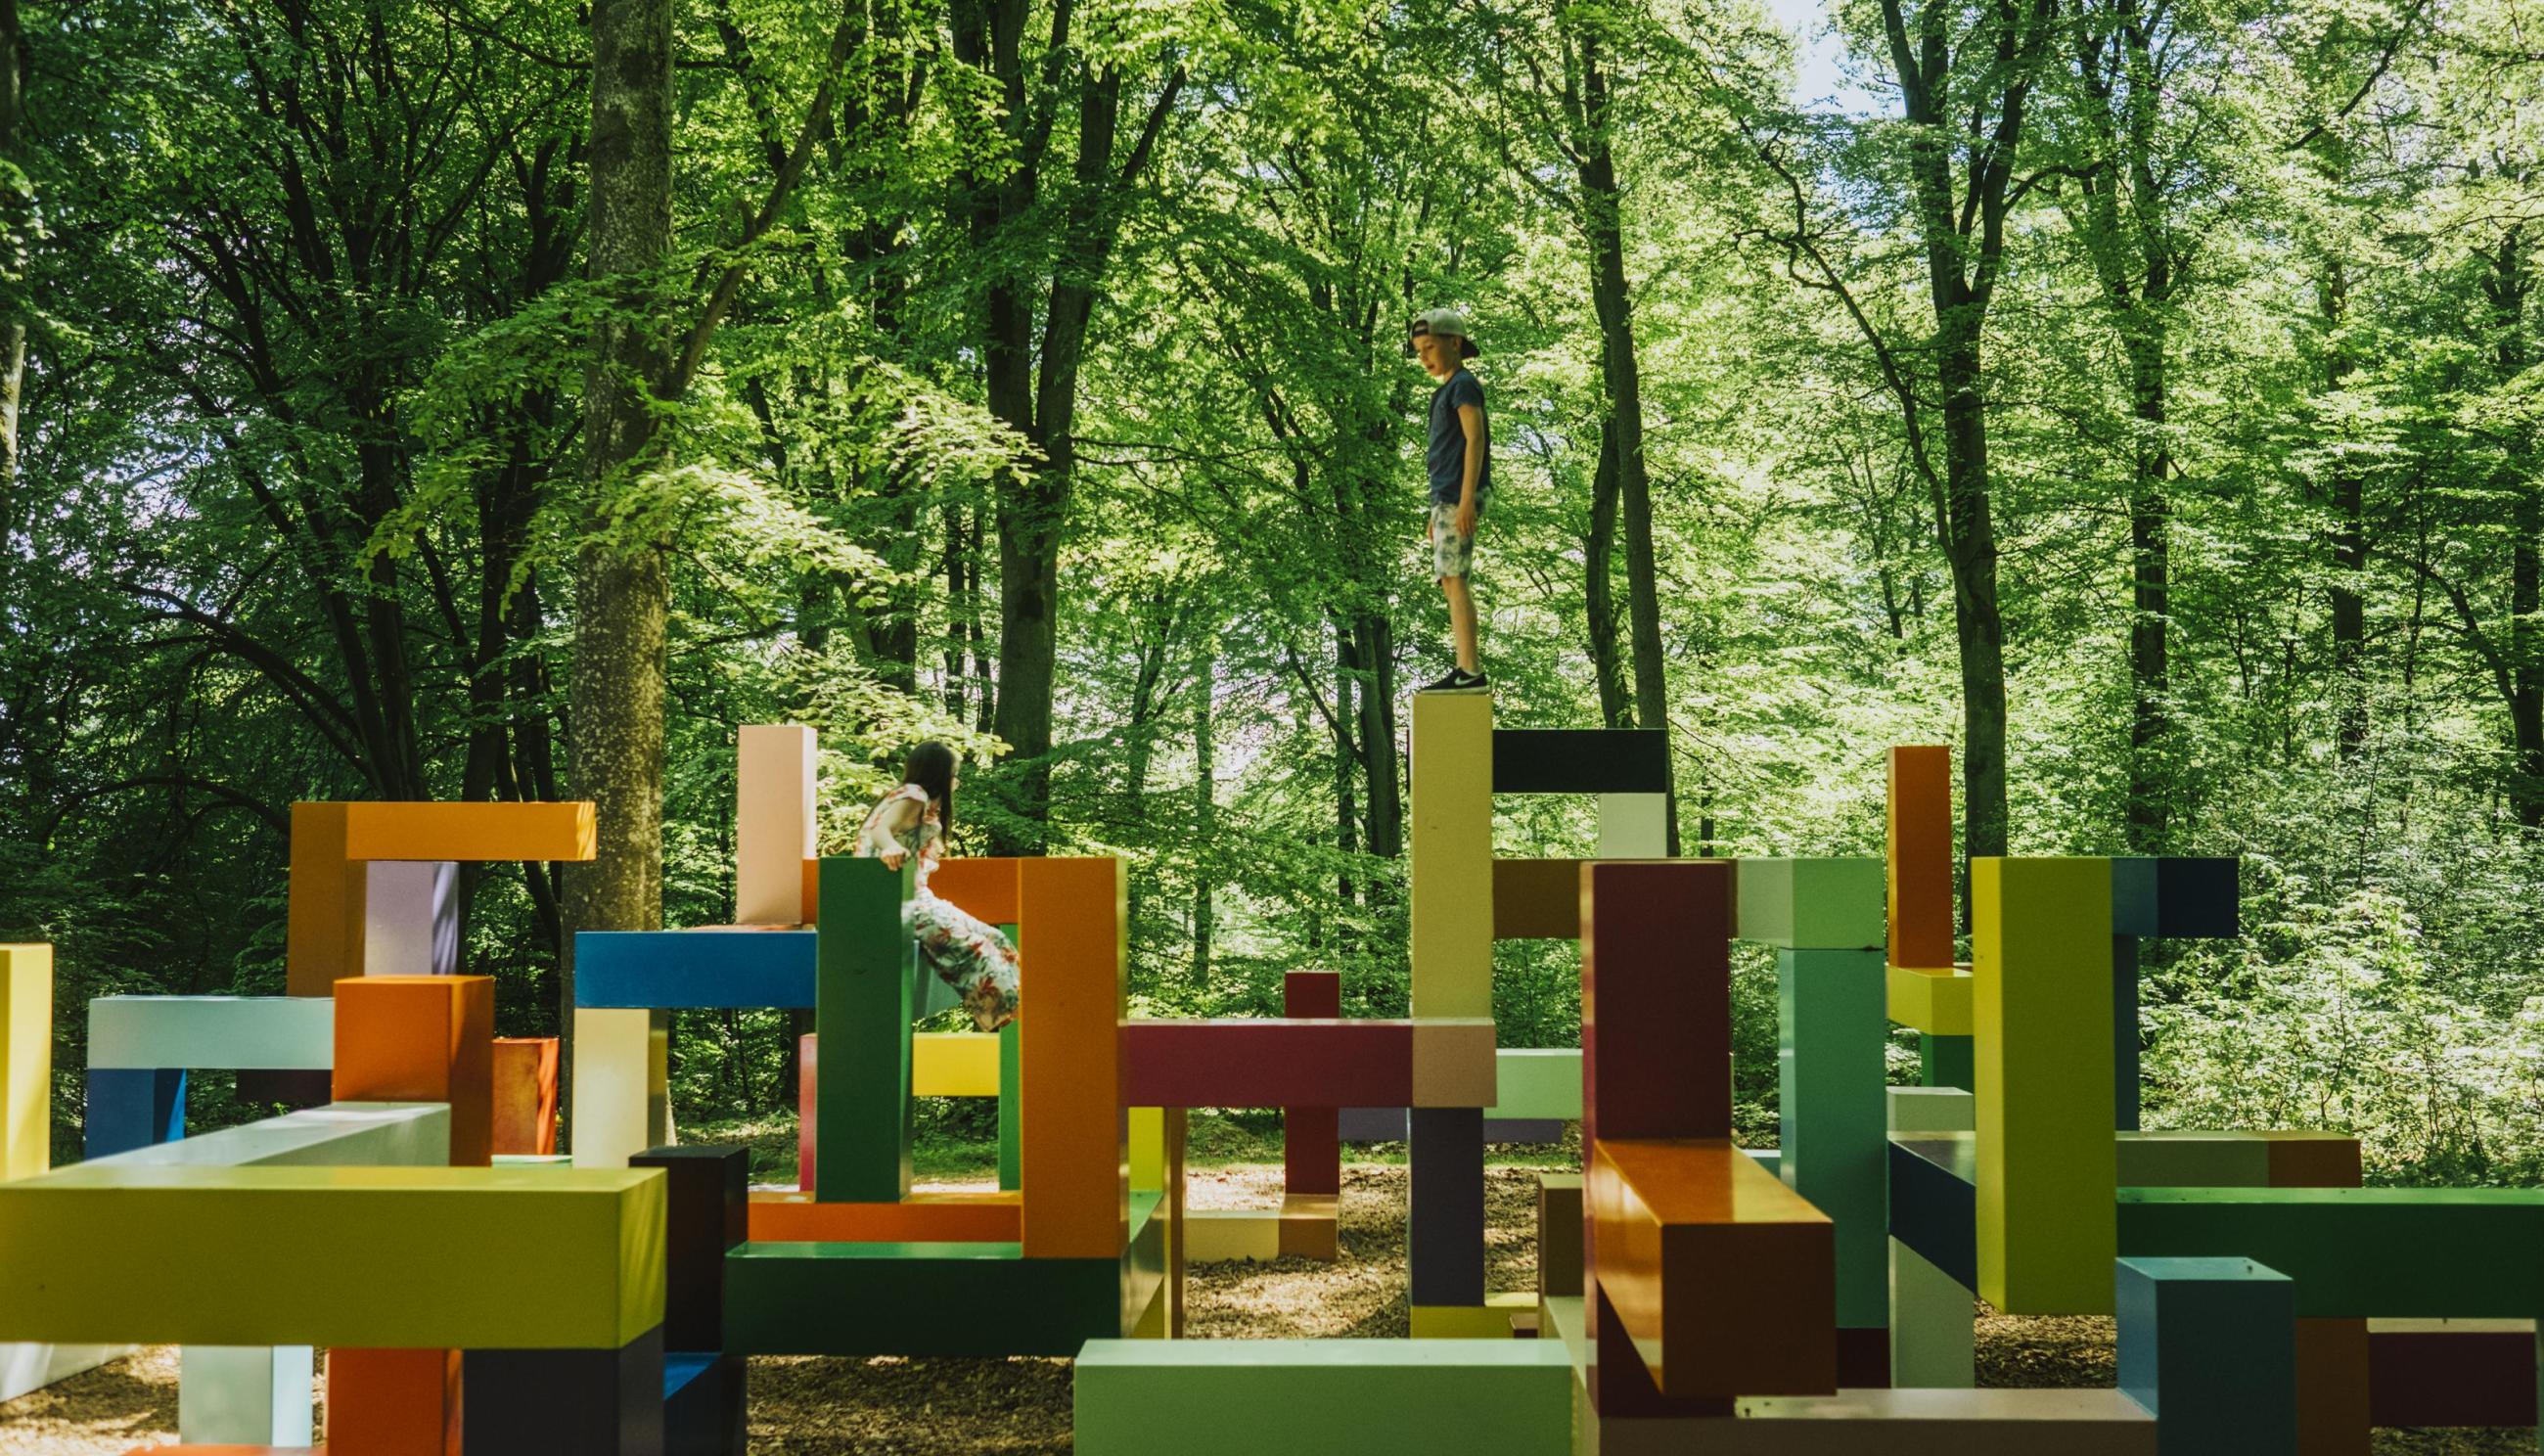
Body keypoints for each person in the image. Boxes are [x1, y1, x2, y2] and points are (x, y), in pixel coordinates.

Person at [852, 741, 1020, 1032]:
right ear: (939, 773)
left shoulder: (915, 800)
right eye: (954, 773)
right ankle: (998, 1015)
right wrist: (890, 847)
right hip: (896, 900)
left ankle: (1008, 1011)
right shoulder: (914, 794)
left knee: (997, 939)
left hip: (918, 896)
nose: (956, 781)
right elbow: (880, 829)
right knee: (978, 950)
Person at [1411, 307, 1490, 694]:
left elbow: (1475, 440)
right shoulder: (1445, 390)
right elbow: (1444, 452)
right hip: (1446, 498)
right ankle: (1465, 667)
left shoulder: (1463, 386)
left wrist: (1464, 501)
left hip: (1459, 495)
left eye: (1429, 347)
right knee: (1449, 579)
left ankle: (1470, 671)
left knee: (1454, 578)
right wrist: (1437, 510)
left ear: (1454, 343)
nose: (1424, 356)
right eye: (1418, 351)